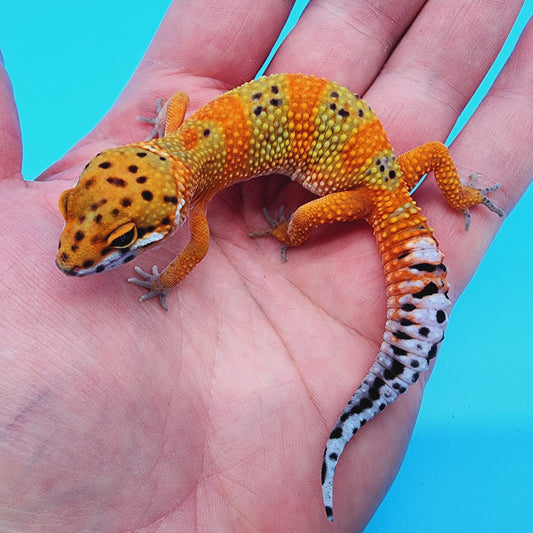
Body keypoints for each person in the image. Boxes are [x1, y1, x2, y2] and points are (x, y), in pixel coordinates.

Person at [0, 1, 531, 531]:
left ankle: (291, 236)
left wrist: (251, 245)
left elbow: (195, 249)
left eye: (118, 241)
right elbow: (178, 100)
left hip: (365, 189)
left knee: (300, 219)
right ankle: (456, 199)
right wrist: (456, 196)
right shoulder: (177, 139)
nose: (83, 251)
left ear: (174, 209)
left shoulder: (196, 202)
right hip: (367, 150)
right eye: (77, 211)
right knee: (433, 152)